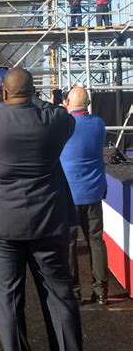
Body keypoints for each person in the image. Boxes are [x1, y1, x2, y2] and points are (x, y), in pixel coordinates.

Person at [0, 68, 97, 351]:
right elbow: (63, 115)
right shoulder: (55, 122)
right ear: (34, 92)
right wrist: (37, 99)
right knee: (60, 295)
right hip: (47, 222)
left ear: (3, 93)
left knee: (8, 301)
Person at [61, 86, 109, 305]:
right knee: (96, 241)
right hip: (94, 193)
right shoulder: (99, 124)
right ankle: (101, 291)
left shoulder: (64, 126)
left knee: (69, 244)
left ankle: (75, 291)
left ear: (69, 102)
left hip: (69, 195)